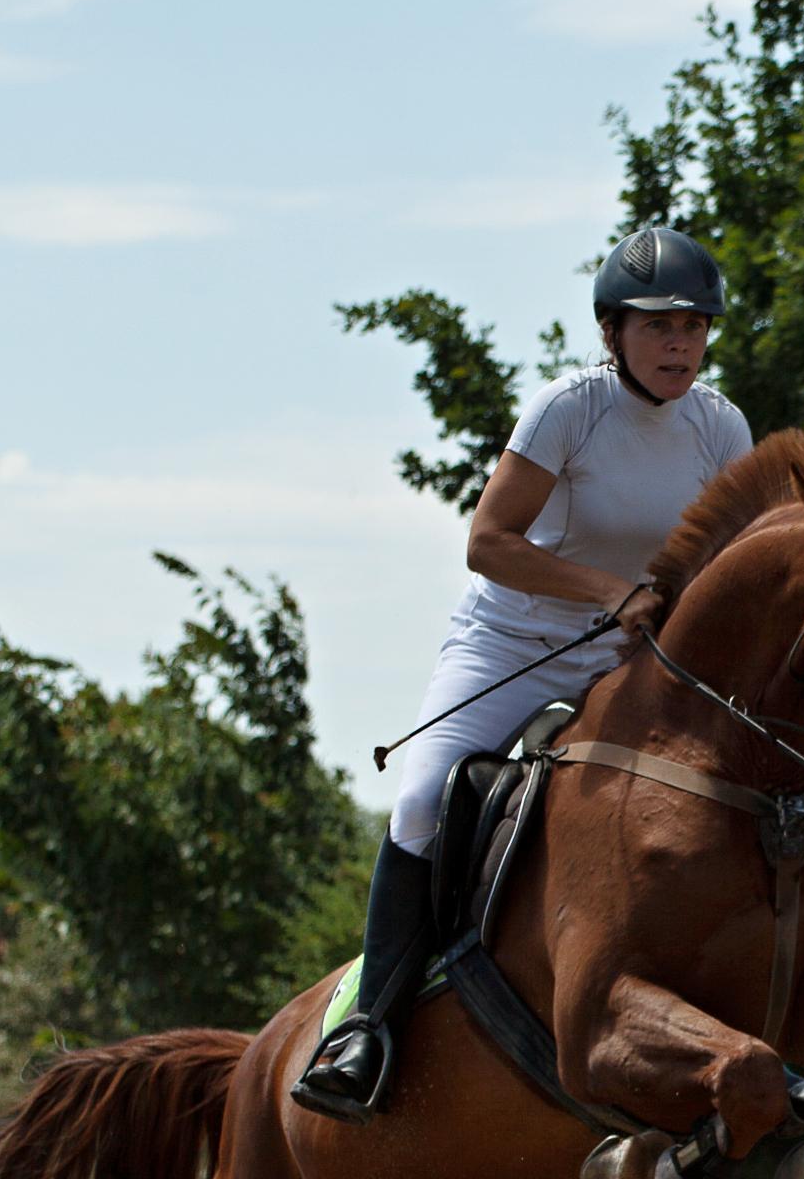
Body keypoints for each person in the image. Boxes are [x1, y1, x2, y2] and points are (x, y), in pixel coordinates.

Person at [293, 226, 752, 1123]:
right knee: (422, 799)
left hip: (630, 657)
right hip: (514, 643)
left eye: (694, 327)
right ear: (613, 331)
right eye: (658, 327)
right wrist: (610, 591)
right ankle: (365, 1026)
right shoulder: (568, 409)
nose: (680, 346)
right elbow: (488, 543)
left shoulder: (719, 426)